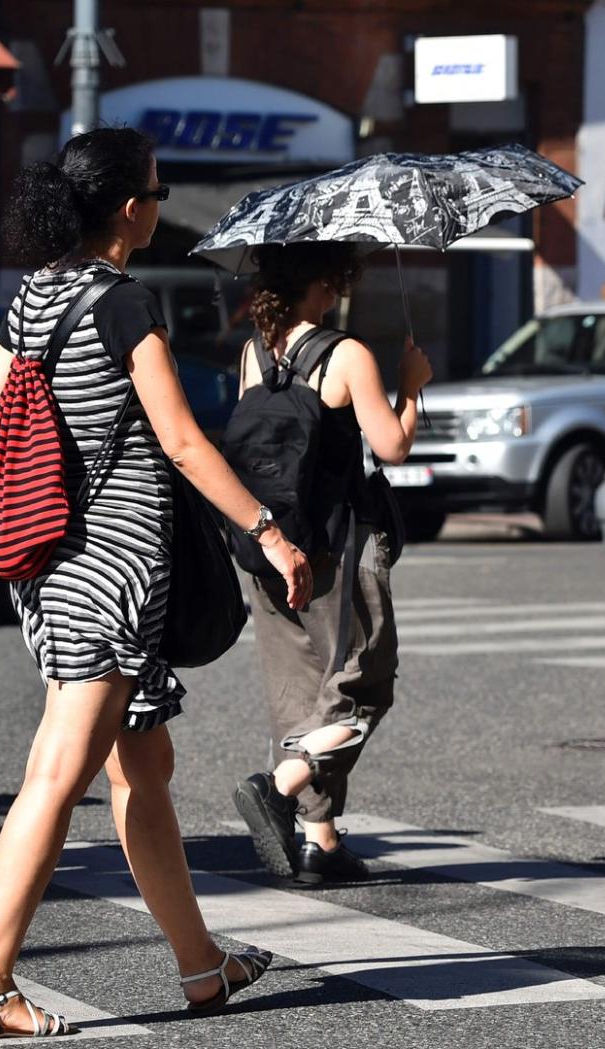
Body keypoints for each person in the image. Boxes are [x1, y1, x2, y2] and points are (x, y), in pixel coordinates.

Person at [0, 128, 313, 1035]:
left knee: (143, 768)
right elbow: (183, 441)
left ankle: (201, 963)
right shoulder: (123, 303)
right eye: (157, 193)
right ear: (128, 208)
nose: (159, 206)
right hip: (112, 569)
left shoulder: (35, 295)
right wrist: (269, 532)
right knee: (55, 773)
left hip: (48, 565)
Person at [229, 242, 430, 885]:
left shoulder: (255, 352)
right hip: (339, 546)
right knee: (363, 682)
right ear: (324, 282)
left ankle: (321, 841)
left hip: (271, 546)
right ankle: (278, 786)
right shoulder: (346, 354)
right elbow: (392, 446)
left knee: (298, 691)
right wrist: (411, 389)